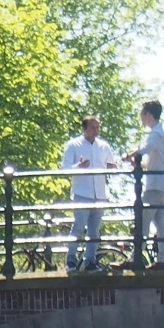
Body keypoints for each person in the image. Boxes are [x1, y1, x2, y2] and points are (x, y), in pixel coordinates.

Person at [60, 114, 122, 271]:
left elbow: (111, 165)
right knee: (78, 227)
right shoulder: (73, 145)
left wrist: (113, 168)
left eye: (97, 127)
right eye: (93, 127)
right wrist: (78, 167)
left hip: (99, 193)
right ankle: (71, 261)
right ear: (85, 129)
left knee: (94, 230)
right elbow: (65, 169)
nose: (96, 130)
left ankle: (90, 261)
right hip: (82, 193)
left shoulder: (104, 146)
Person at [129, 98, 164, 267]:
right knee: (160, 223)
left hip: (155, 185)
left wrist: (129, 155)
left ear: (148, 115)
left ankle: (135, 260)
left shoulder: (156, 134)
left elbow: (144, 149)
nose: (141, 118)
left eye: (142, 114)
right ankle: (162, 260)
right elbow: (155, 161)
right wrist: (140, 165)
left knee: (143, 220)